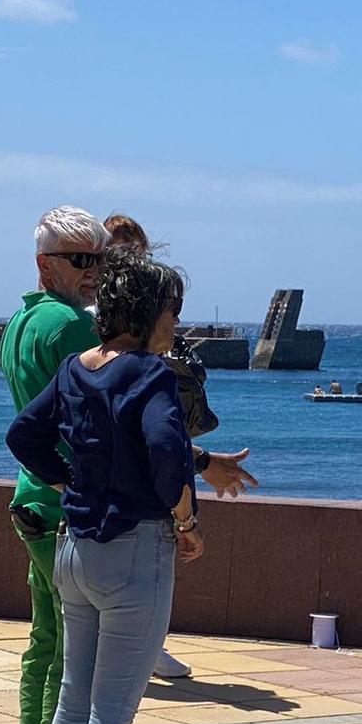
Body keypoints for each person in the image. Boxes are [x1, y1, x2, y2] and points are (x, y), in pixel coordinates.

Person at [6, 252, 203, 724]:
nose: (175, 323)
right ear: (147, 313)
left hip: (74, 549)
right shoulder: (151, 376)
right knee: (111, 713)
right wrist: (186, 519)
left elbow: (23, 435)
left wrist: (68, 482)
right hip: (133, 552)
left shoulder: (74, 370)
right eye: (171, 310)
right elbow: (168, 450)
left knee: (73, 700)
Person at [105, 213, 259, 681]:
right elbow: (148, 438)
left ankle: (147, 647)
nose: (132, 260)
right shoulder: (118, 349)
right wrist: (190, 510)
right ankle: (144, 650)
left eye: (137, 250)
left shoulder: (97, 353)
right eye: (119, 250)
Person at [0, 206, 108, 724]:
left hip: (31, 500)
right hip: (66, 506)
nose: (93, 271)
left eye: (97, 258)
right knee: (73, 658)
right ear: (46, 263)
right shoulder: (68, 325)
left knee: (44, 648)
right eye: (80, 259)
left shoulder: (19, 321)